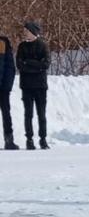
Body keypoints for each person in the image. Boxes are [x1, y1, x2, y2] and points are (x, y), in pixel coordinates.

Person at [16, 21, 50, 150]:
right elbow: (20, 65)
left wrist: (28, 62)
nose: (25, 33)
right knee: (28, 114)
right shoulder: (22, 46)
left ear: (33, 32)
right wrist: (35, 65)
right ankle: (29, 139)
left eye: (27, 31)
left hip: (40, 86)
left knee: (41, 114)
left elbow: (45, 65)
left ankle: (43, 139)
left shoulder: (43, 46)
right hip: (26, 86)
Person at [0, 31, 16, 149]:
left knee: (6, 113)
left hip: (3, 88)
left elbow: (10, 67)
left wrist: (7, 86)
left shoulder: (3, 42)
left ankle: (9, 140)